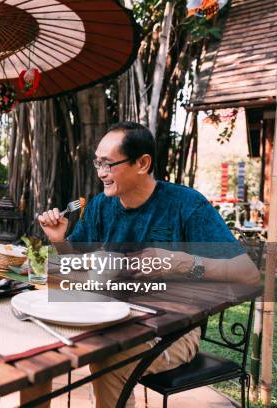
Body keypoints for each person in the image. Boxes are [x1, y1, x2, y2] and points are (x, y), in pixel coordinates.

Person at [38, 121, 259, 408]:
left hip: (175, 331)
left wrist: (186, 263)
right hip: (115, 319)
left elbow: (249, 273)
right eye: (97, 164)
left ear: (142, 163)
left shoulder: (186, 205)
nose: (101, 173)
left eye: (108, 164)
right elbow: (72, 266)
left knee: (110, 361)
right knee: (42, 344)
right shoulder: (100, 207)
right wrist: (58, 240)